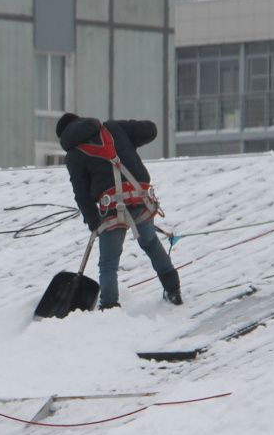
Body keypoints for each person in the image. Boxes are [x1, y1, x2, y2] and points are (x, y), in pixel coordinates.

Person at [57, 112, 181, 310]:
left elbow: (81, 194)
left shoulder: (74, 155)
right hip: (140, 198)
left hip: (112, 209)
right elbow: (150, 130)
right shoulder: (114, 128)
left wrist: (94, 223)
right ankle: (174, 291)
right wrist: (129, 141)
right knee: (150, 243)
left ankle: (109, 308)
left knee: (108, 263)